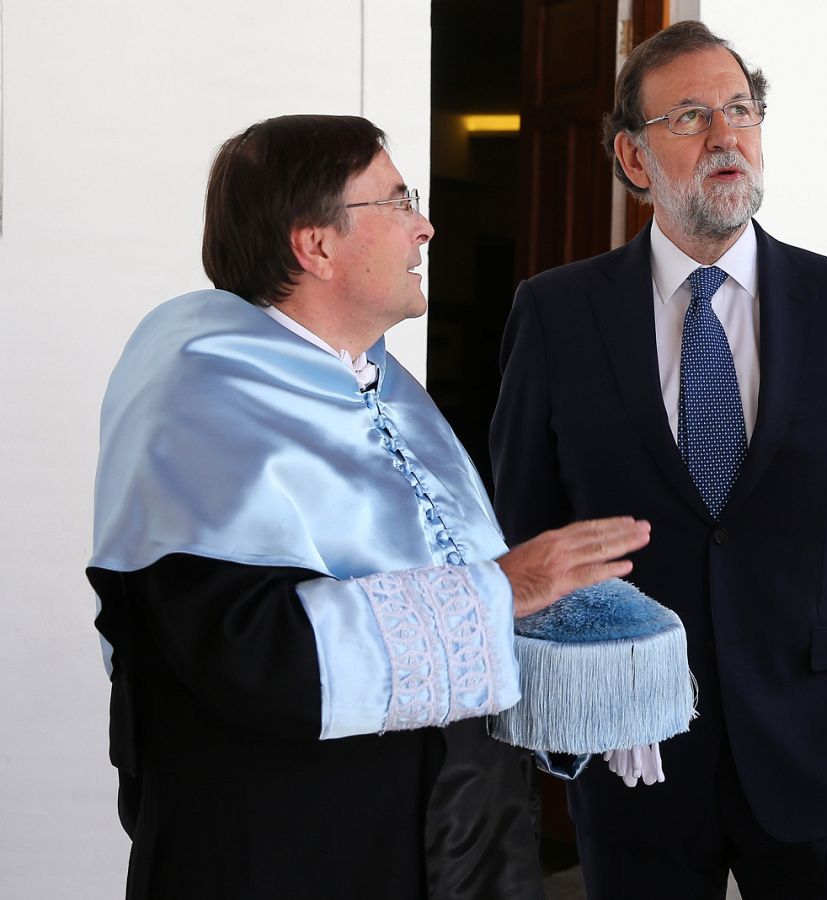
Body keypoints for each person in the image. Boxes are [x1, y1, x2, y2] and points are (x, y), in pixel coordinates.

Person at [86, 114, 650, 900]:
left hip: (450, 833)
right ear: (314, 244)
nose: (425, 224)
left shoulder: (380, 385)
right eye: (395, 200)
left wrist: (575, 648)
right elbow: (253, 653)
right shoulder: (199, 400)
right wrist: (505, 590)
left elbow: (444, 585)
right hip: (300, 850)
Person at [488, 20, 827, 900]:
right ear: (635, 158)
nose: (727, 135)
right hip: (634, 752)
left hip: (812, 745)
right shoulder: (556, 315)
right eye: (690, 116)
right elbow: (525, 522)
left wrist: (810, 650)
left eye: (740, 109)